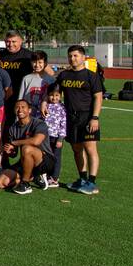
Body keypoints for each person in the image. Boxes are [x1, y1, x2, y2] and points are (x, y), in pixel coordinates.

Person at [54, 45, 103, 195]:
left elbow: (98, 97)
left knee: (90, 149)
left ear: (83, 57)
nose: (72, 59)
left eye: (75, 56)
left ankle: (92, 182)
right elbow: (54, 92)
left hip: (87, 116)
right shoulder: (64, 75)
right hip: (70, 117)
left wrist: (95, 117)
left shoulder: (91, 76)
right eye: (70, 56)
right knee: (76, 149)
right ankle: (82, 179)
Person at [0, 99, 51, 195]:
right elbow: (15, 153)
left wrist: (15, 143)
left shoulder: (39, 123)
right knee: (0, 183)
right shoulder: (13, 128)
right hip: (25, 161)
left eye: (23, 107)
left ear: (29, 110)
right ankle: (30, 177)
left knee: (26, 148)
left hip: (45, 161)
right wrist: (10, 151)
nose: (20, 110)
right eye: (17, 107)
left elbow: (36, 141)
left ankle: (26, 184)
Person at [0, 30, 35, 99]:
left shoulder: (29, 55)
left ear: (20, 41)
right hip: (3, 95)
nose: (10, 44)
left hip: (22, 96)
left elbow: (49, 71)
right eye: (8, 42)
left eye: (14, 41)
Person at [41, 85, 67, 189]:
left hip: (56, 137)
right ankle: (46, 174)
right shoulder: (45, 105)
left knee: (56, 158)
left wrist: (60, 139)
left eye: (57, 95)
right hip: (45, 137)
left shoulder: (62, 108)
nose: (54, 98)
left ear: (60, 96)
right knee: (46, 156)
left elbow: (64, 124)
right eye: (51, 95)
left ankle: (55, 178)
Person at [19, 51, 55, 117]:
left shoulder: (51, 80)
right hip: (29, 115)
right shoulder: (26, 79)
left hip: (45, 114)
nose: (37, 65)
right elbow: (20, 98)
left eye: (40, 62)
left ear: (45, 63)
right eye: (34, 62)